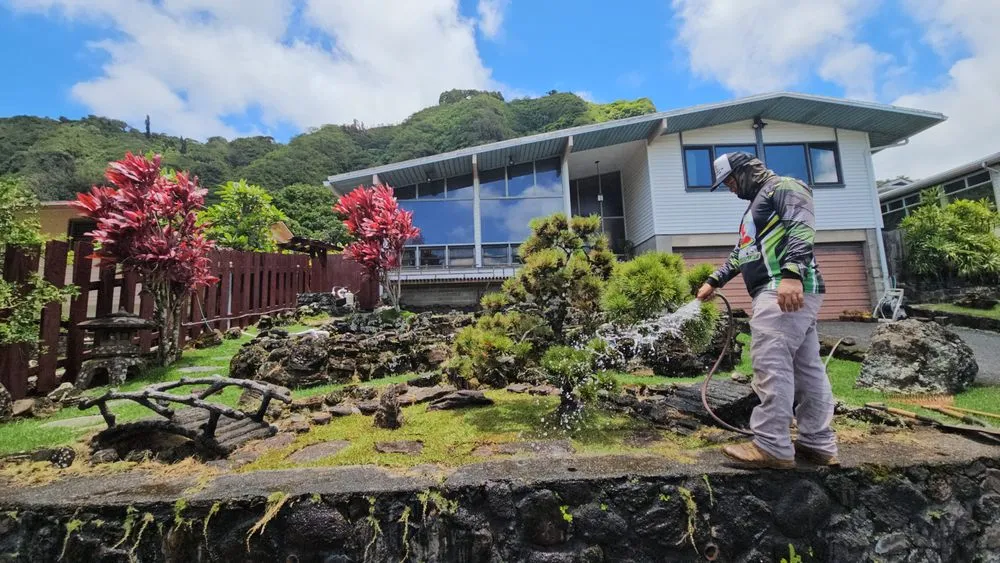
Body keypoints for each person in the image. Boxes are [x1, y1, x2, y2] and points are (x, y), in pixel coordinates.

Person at [696, 152, 839, 469]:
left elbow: (801, 227)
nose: (730, 188)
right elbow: (743, 252)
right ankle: (817, 444)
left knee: (770, 363)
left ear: (747, 172)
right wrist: (714, 281)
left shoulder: (783, 187)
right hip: (780, 291)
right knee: (807, 370)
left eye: (731, 181)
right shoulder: (755, 206)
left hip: (781, 289)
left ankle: (771, 445)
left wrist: (791, 275)